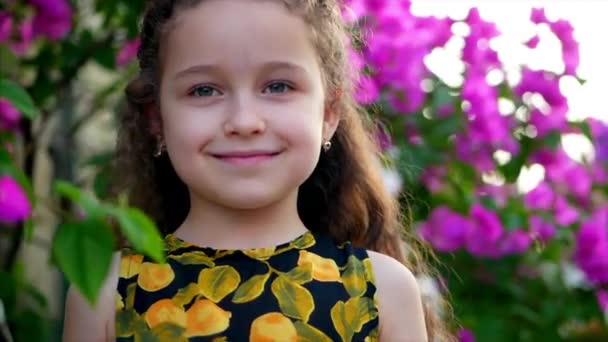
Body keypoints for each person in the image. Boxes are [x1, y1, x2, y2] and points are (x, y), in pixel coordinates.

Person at [64, 0, 450, 341]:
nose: (244, 121)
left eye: (278, 86)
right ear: (157, 120)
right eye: (203, 90)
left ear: (329, 114)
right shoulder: (106, 292)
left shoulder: (382, 292)